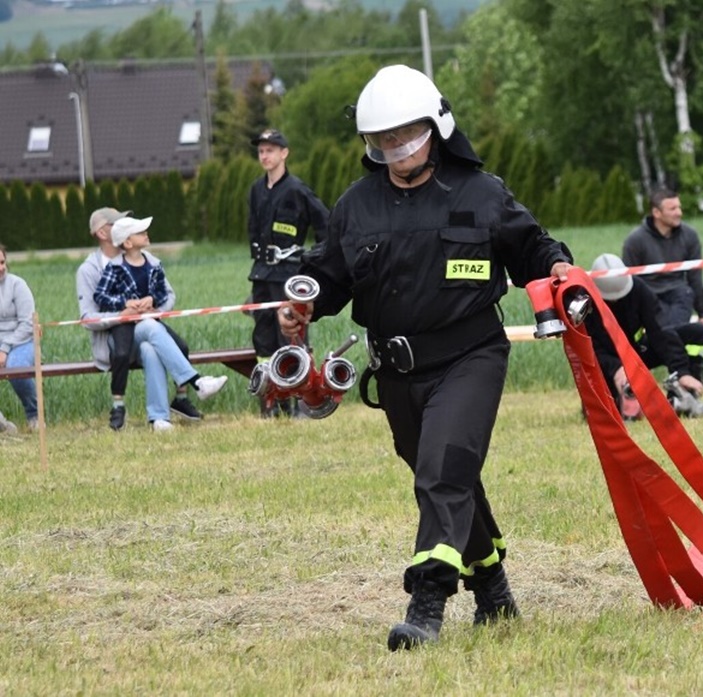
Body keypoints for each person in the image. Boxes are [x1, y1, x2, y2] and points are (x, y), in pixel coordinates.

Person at [277, 64, 573, 651]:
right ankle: (494, 591)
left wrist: (558, 267)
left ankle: (427, 604)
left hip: (470, 356)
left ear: (436, 127)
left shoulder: (481, 193)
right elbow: (329, 277)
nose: (394, 146)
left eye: (404, 133)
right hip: (395, 373)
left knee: (441, 471)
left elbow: (532, 249)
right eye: (381, 138)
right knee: (448, 477)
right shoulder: (356, 205)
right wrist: (301, 306)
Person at [93, 215, 227, 431]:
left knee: (150, 349)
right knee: (149, 326)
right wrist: (125, 304)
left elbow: (162, 292)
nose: (146, 233)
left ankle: (159, 418)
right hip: (126, 331)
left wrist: (152, 300)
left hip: (148, 328)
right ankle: (197, 382)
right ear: (128, 242)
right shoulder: (114, 267)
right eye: (140, 232)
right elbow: (100, 296)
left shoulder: (154, 264)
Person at [246, 128, 330, 418]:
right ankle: (272, 402)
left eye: (270, 150)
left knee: (291, 338)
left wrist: (312, 263)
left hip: (287, 277)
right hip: (261, 275)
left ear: (284, 153)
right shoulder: (256, 190)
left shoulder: (297, 190)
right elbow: (252, 230)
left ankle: (301, 402)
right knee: (264, 339)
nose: (264, 155)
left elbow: (326, 228)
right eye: (261, 151)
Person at [586, 253, 703, 419]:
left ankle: (684, 394)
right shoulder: (584, 303)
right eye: (610, 299)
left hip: (637, 353)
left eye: (620, 297)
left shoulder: (638, 289)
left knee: (696, 332)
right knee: (611, 414)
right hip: (606, 363)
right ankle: (623, 400)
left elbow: (660, 331)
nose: (615, 301)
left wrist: (681, 371)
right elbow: (589, 350)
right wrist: (616, 369)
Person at [621, 187, 703, 383]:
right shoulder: (635, 240)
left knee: (676, 322)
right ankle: (681, 376)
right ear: (656, 212)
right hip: (648, 296)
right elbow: (628, 283)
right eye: (672, 208)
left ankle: (686, 377)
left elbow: (695, 277)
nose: (679, 212)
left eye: (679, 207)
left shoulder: (690, 235)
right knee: (676, 332)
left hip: (680, 293)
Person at [0, 243, 38, 430]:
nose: (1, 268)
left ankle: (34, 416)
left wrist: (4, 348)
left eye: (2, 262)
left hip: (21, 341)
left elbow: (28, 324)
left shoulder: (17, 285)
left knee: (16, 367)